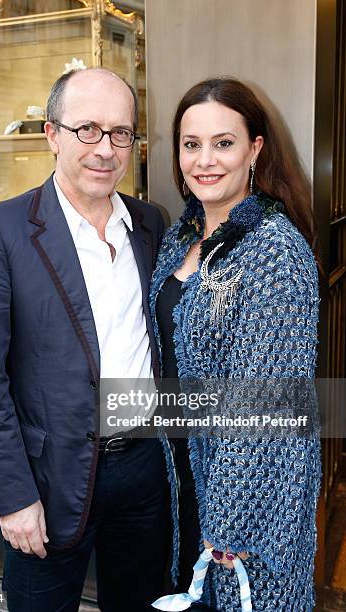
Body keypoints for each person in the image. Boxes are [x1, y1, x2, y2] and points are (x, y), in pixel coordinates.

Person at [0, 67, 169, 612]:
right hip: (49, 482)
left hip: (144, 470)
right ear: (52, 134)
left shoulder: (149, 223)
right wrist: (13, 496)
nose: (105, 149)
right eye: (87, 130)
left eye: (121, 133)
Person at [149, 78, 321, 610]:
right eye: (190, 143)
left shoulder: (275, 250)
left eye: (223, 142)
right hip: (183, 475)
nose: (204, 160)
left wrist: (229, 520)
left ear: (255, 148)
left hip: (248, 500)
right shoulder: (183, 234)